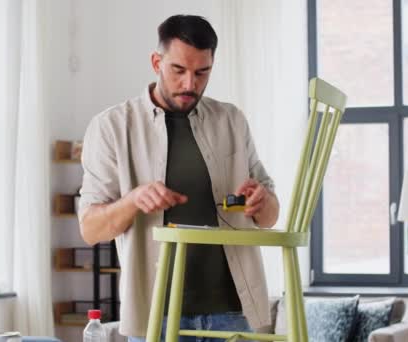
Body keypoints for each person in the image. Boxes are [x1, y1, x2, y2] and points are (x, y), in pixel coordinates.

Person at [78, 14, 279, 342]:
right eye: (178, 70)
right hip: (155, 315)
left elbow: (270, 217)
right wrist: (132, 201)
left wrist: (261, 201)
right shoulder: (111, 127)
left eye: (202, 73)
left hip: (233, 313)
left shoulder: (232, 120)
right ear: (156, 61)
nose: (190, 84)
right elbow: (90, 228)